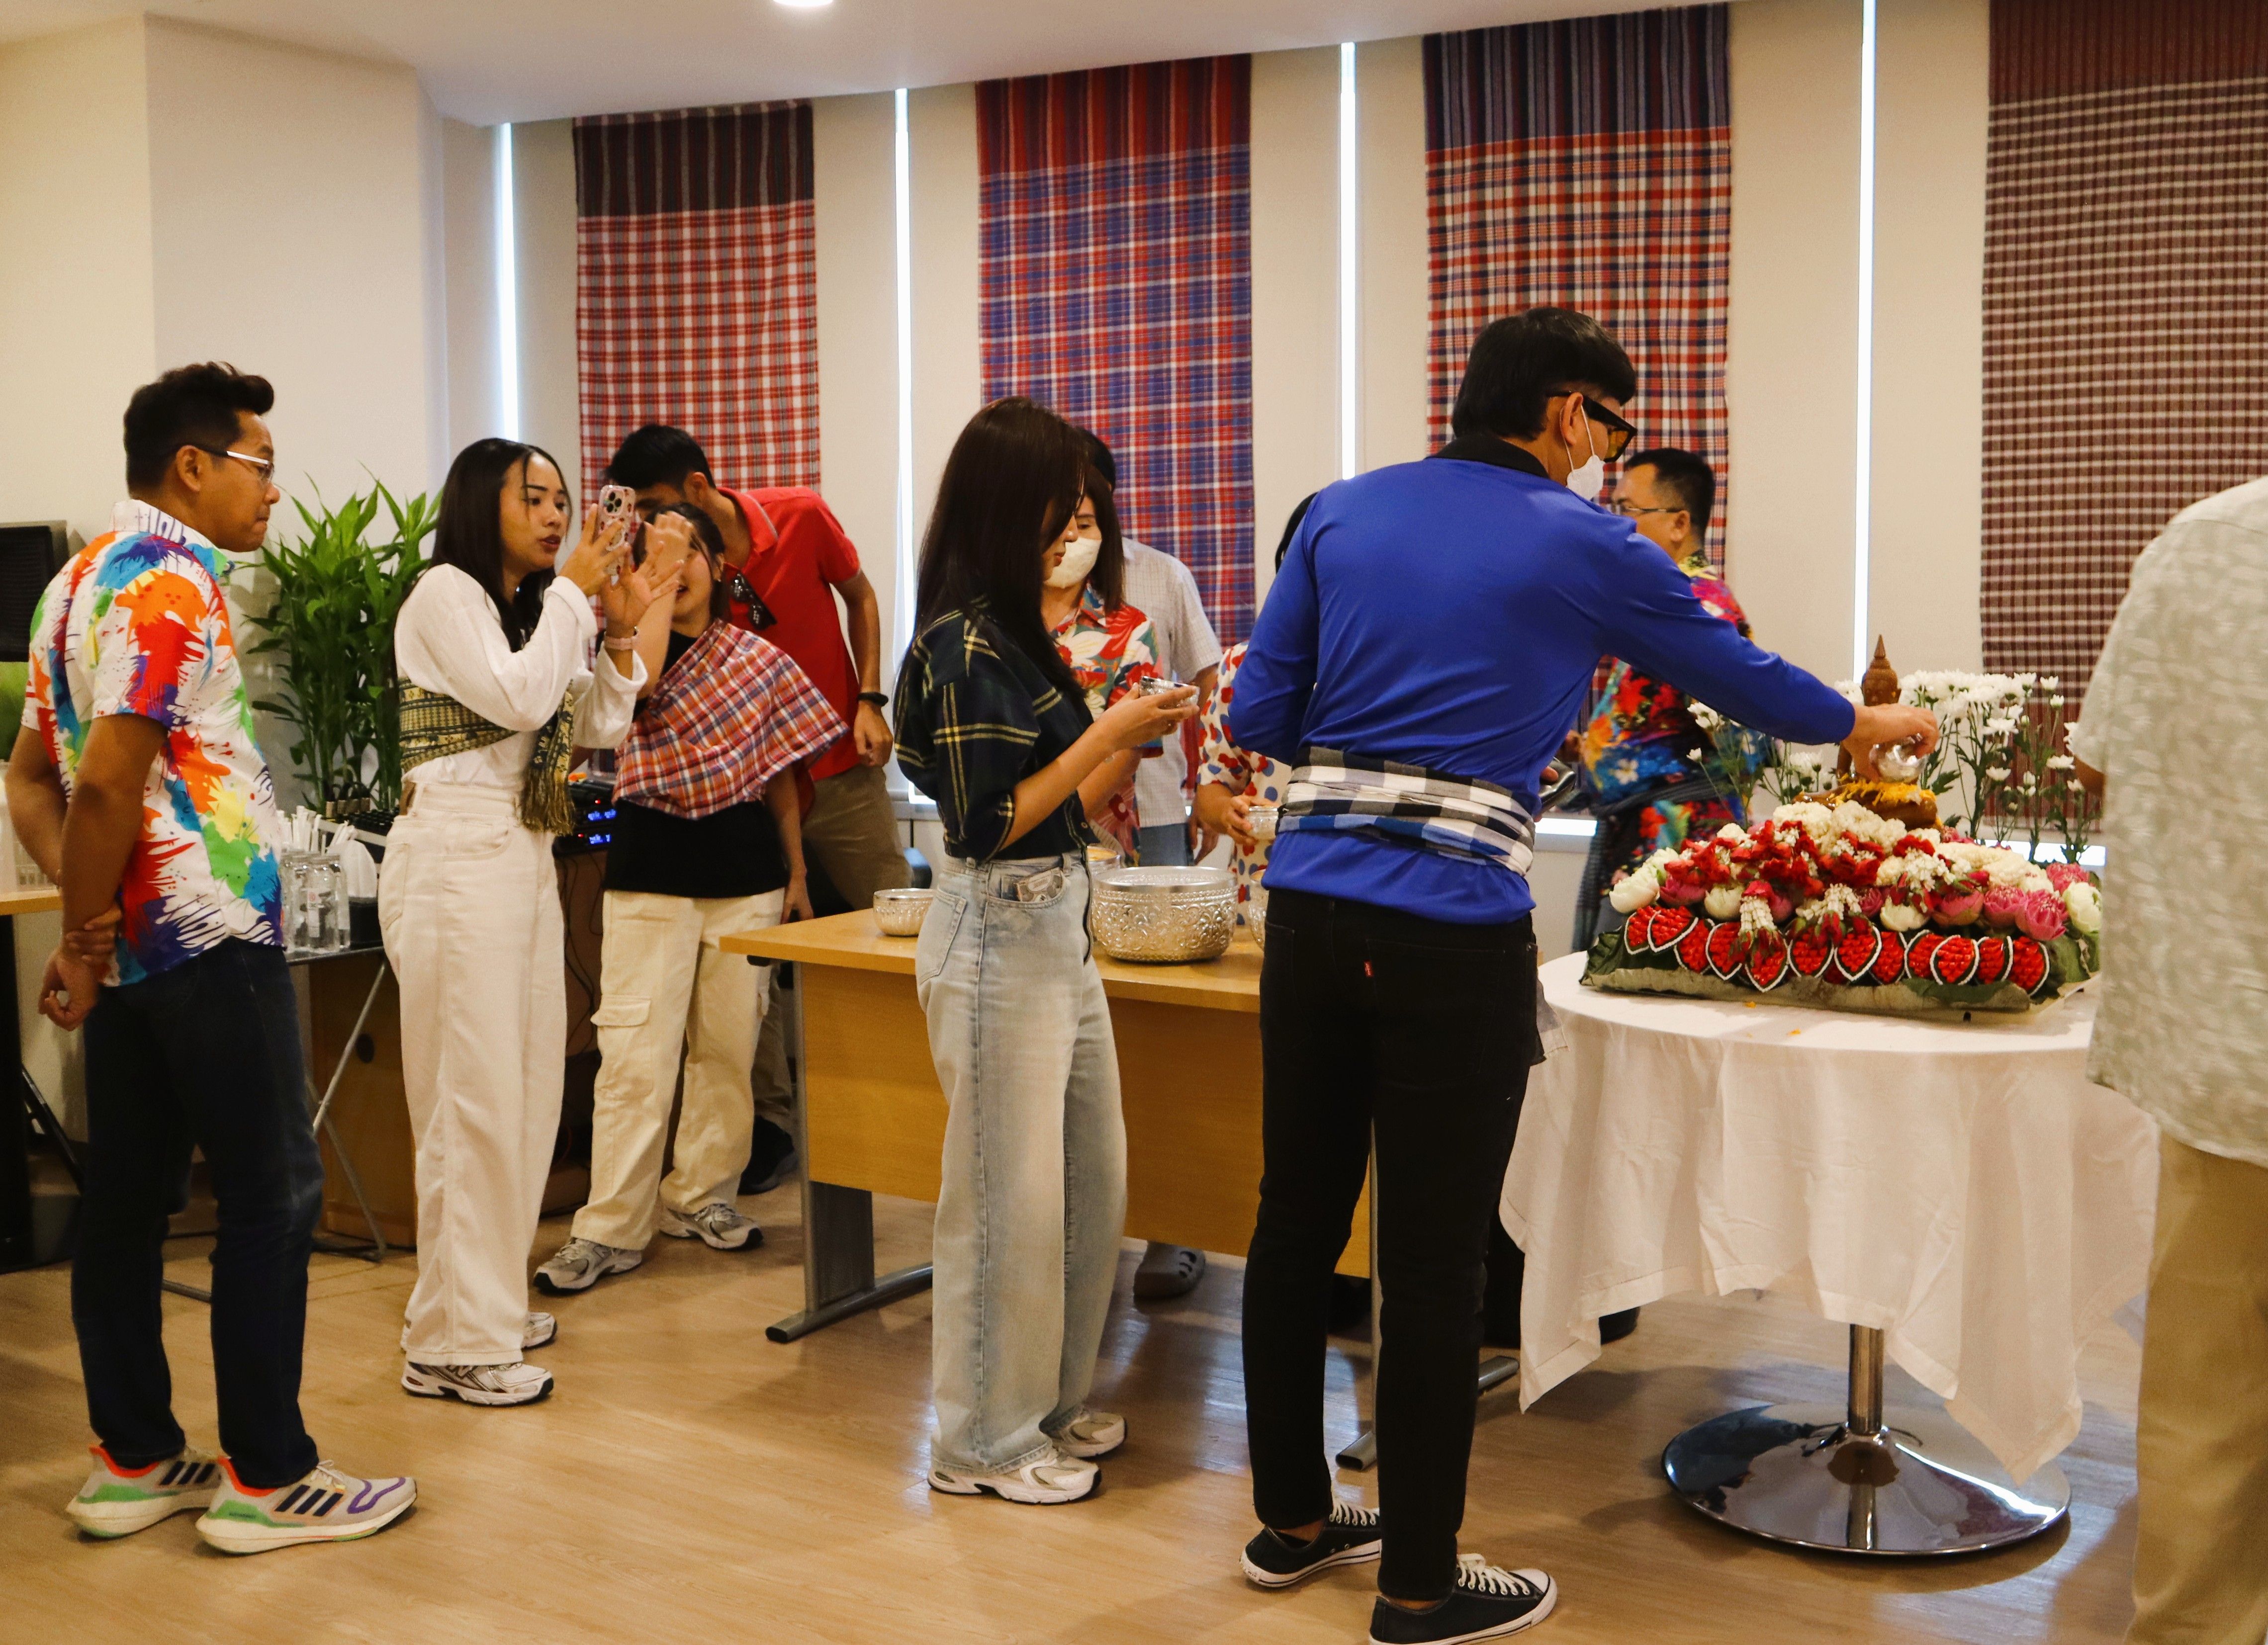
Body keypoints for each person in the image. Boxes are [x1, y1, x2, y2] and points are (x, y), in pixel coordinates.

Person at [1227, 307, 1937, 1643]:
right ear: (1569, 413)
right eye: (1614, 428)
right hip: (1447, 926)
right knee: (1431, 1257)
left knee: (1292, 1219)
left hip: (1308, 909)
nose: (1613, 456)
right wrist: (1864, 718)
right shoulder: (1581, 538)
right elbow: (1735, 673)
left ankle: (1293, 1523)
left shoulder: (1335, 511)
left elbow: (1258, 713)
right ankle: (1419, 1585)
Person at [10, 361, 412, 1552]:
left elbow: (29, 781)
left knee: (130, 1198)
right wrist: (84, 930)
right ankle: (269, 1476)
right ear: (191, 467)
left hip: (140, 948)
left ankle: (133, 1458)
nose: (273, 491)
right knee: (273, 1191)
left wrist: (93, 928)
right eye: (260, 464)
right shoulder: (169, 582)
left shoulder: (70, 585)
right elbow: (100, 786)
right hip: (208, 932)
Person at [894, 397, 1197, 1505]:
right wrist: (1110, 731)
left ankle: (1050, 1404)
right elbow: (986, 823)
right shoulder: (964, 643)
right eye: (1059, 512)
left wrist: (1132, 733)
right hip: (996, 923)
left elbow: (1066, 801)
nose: (1078, 531)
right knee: (1002, 1198)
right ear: (1004, 510)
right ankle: (980, 1439)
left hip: (1059, 916)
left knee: (1085, 1184)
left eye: (1085, 512)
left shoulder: (1025, 633)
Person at [382, 436, 668, 1406]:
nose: (556, 516)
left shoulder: (522, 612)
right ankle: (454, 1342)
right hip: (455, 858)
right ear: (481, 503)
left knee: (527, 1093)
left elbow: (595, 723)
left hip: (516, 855)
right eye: (533, 498)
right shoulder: (443, 595)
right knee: (470, 1104)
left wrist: (619, 631)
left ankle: (483, 1306)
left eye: (560, 499)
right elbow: (520, 695)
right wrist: (577, 597)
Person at [535, 507, 840, 1295]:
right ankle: (609, 1228)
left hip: (746, 875)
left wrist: (797, 874)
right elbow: (618, 713)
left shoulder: (758, 660)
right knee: (635, 1059)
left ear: (720, 565)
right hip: (651, 869)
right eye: (660, 553)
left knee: (728, 1054)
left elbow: (780, 774)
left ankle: (701, 1195)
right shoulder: (626, 650)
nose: (678, 564)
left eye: (691, 550)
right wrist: (646, 598)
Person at [605, 427, 908, 1198]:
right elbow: (632, 685)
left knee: (897, 926)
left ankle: (916, 1100)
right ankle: (769, 1132)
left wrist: (870, 698)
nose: (657, 535)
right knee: (750, 975)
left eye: (662, 514)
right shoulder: (659, 594)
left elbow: (862, 596)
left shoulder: (800, 515)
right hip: (746, 789)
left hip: (836, 767)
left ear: (697, 491)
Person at [2069, 475, 2268, 1645]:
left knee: (2209, 1397)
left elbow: (2101, 759)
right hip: (2224, 1040)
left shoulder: (2204, 539)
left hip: (2228, 1039)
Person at [1080, 431, 1225, 1303]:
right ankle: (1084, 1223)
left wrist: (1204, 782)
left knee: (1163, 1025)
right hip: (1064, 822)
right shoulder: (1014, 582)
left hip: (1159, 814)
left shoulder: (1160, 575)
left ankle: (1175, 1227)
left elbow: (1209, 687)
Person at [1571, 447, 1758, 950]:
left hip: (1676, 847)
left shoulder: (1702, 609)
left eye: (1629, 510)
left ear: (1679, 523)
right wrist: (1595, 749)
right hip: (1642, 833)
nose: (1618, 524)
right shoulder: (1667, 599)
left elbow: (1744, 745)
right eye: (1614, 509)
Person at [1042, 464, 1166, 860]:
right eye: (1058, 523)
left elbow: (1127, 751)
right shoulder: (993, 625)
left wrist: (1040, 831)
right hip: (1002, 842)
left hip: (1096, 849)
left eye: (1084, 524)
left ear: (1105, 533)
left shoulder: (1133, 630)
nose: (1070, 537)